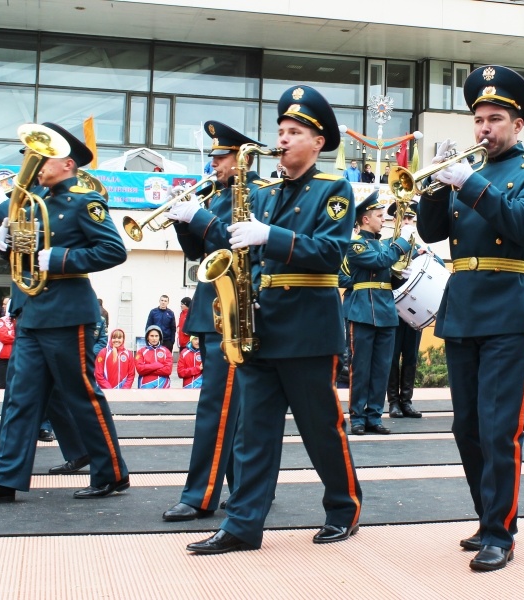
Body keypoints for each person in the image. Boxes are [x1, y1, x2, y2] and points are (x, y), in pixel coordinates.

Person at [187, 84, 361, 554]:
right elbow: (245, 258)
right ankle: (243, 525)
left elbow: (331, 255)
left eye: (294, 132)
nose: (282, 139)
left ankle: (343, 509)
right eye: (281, 130)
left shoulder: (335, 189)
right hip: (259, 326)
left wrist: (271, 236)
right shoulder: (260, 193)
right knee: (253, 434)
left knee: (321, 429)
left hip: (307, 328)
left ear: (318, 142)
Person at [416, 65, 524, 571]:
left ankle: (502, 531)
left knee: (501, 428)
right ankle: (487, 518)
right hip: (464, 304)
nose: (484, 128)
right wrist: (434, 186)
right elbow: (432, 233)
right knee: (466, 427)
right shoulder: (464, 173)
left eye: (495, 119)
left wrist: (470, 183)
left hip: (508, 307)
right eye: (479, 119)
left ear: (518, 126)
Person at [0, 122, 129, 506]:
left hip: (69, 312)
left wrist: (62, 258)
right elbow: (23, 258)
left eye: (44, 157)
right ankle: (6, 478)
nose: (36, 164)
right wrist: (3, 242)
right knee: (20, 396)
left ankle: (111, 472)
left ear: (67, 163)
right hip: (33, 312)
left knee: (82, 396)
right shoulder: (32, 199)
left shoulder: (85, 201)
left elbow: (114, 250)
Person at [162, 119, 266, 522]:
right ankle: (245, 489)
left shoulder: (256, 194)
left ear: (239, 158)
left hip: (233, 313)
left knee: (217, 410)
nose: (215, 165)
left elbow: (236, 242)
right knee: (233, 410)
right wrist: (182, 220)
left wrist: (199, 218)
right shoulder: (216, 195)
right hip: (212, 309)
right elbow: (198, 251)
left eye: (220, 158)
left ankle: (199, 494)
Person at [342, 191, 412, 435]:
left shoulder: (383, 245)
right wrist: (402, 243)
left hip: (385, 311)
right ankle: (358, 417)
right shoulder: (355, 244)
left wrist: (399, 274)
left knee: (381, 368)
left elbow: (386, 270)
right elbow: (380, 261)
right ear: (365, 220)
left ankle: (374, 415)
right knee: (360, 368)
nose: (384, 219)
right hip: (362, 310)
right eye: (379, 216)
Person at [385, 202, 430, 419]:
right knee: (393, 357)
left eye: (411, 220)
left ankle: (407, 401)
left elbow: (435, 267)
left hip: (414, 310)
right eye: (404, 219)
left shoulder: (421, 248)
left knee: (410, 356)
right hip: (392, 309)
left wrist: (426, 256)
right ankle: (393, 402)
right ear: (394, 220)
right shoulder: (386, 245)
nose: (407, 223)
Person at [0, 300, 15, 389]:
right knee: (0, 385)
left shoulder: (19, 320)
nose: (3, 306)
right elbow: (3, 337)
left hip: (16, 356)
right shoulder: (2, 320)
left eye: (5, 304)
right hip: (4, 357)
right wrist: (16, 338)